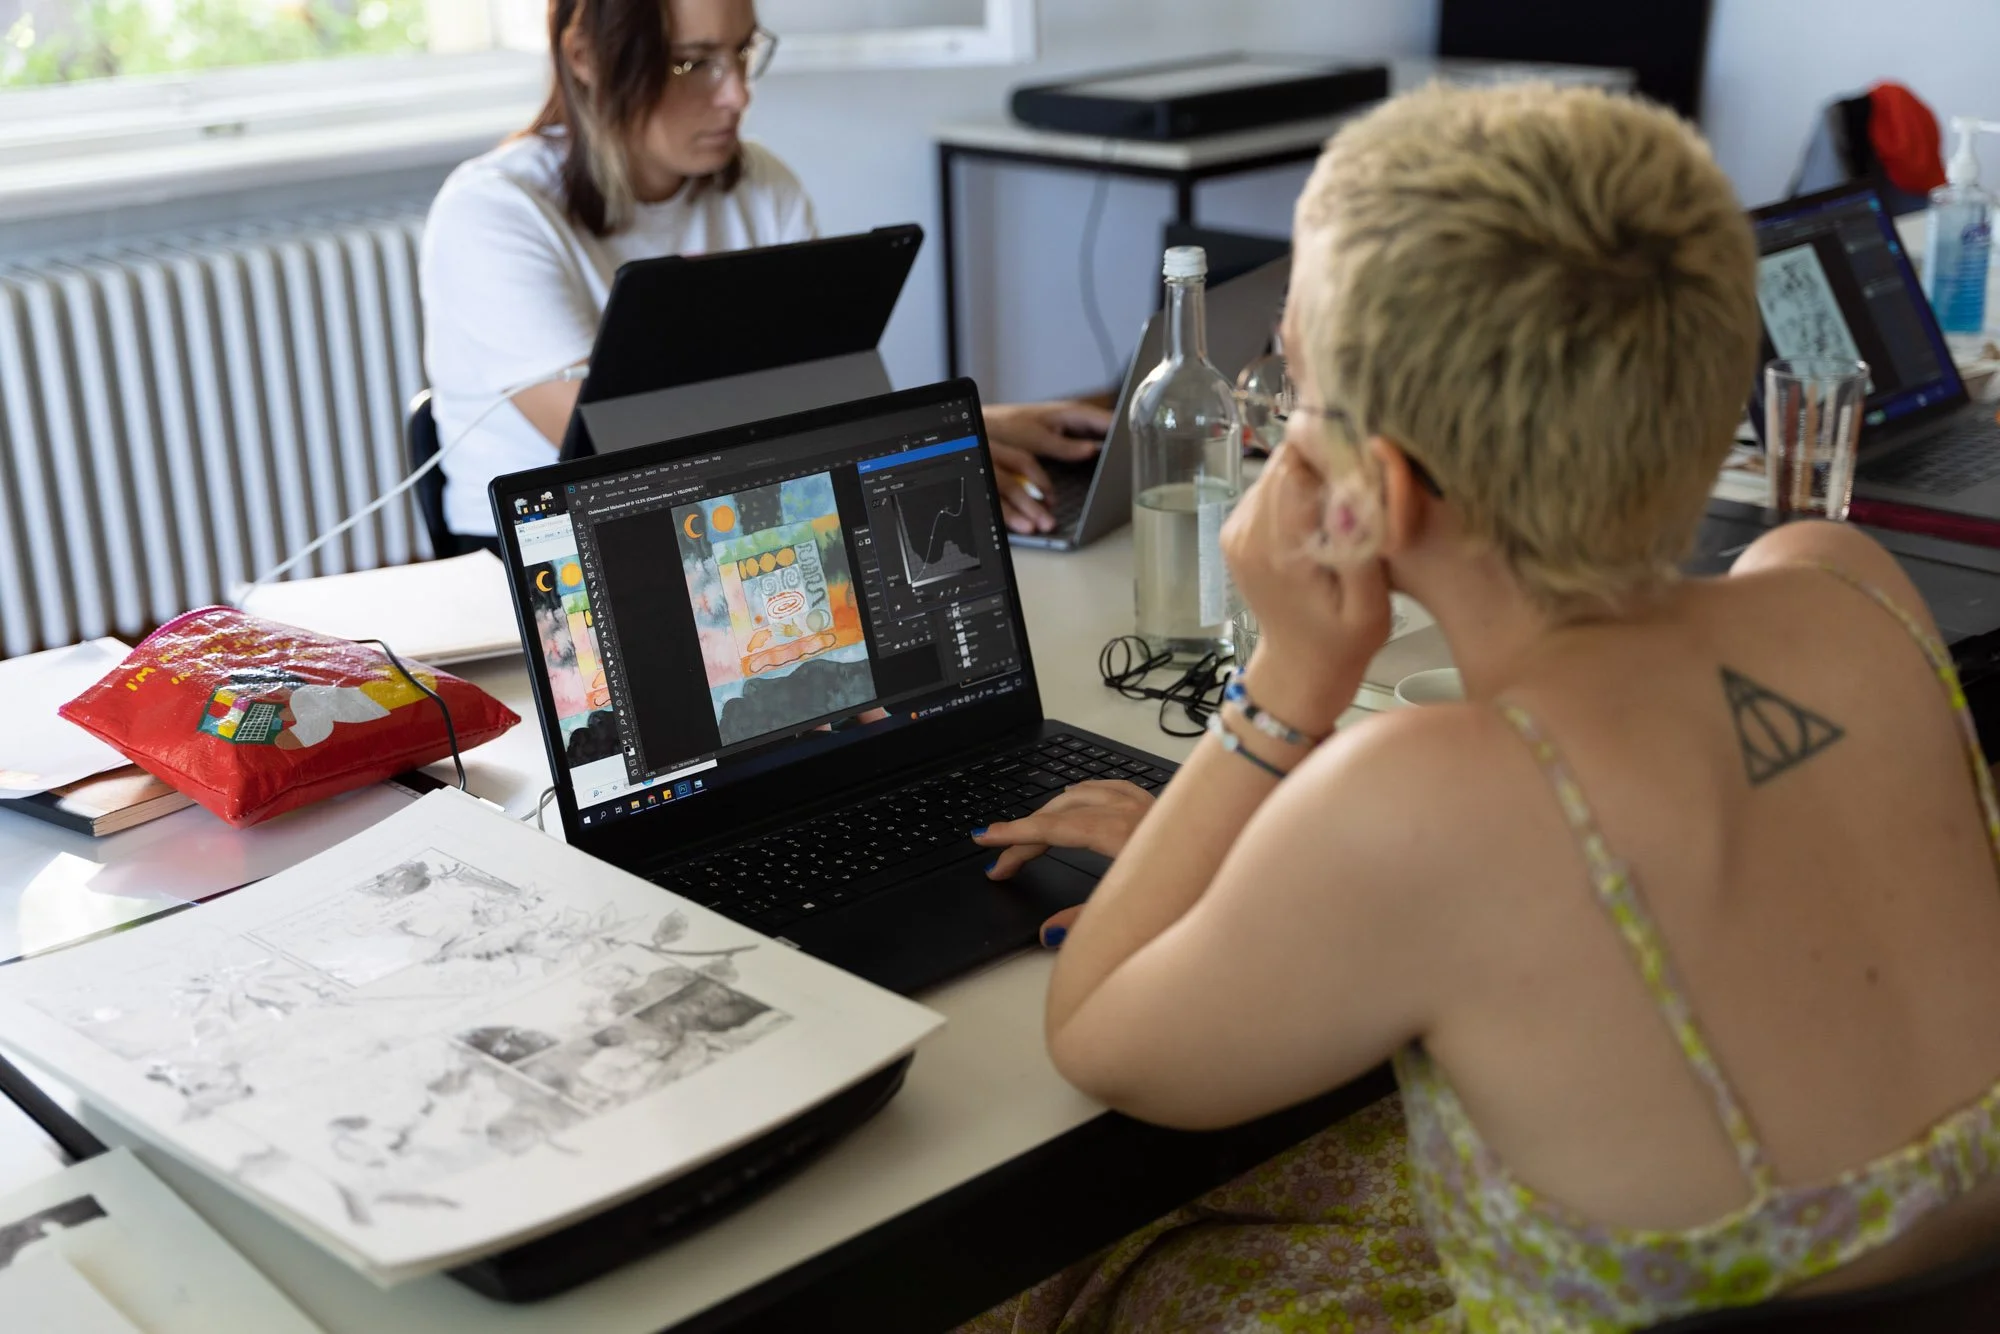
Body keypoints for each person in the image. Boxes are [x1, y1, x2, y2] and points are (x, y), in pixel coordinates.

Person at [965, 82, 2000, 1331]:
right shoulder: (1844, 583)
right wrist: (1286, 871)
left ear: (1374, 491)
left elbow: (1095, 1036)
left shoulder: (1426, 792)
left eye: (1290, 393)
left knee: (1052, 1286)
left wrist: (1287, 679)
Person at [419, 0, 1105, 544]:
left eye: (743, 52)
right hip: (548, 556)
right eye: (693, 63)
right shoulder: (494, 213)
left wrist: (963, 428)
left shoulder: (760, 183)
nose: (738, 94)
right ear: (586, 57)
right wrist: (932, 440)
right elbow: (618, 456)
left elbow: (821, 393)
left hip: (746, 523)